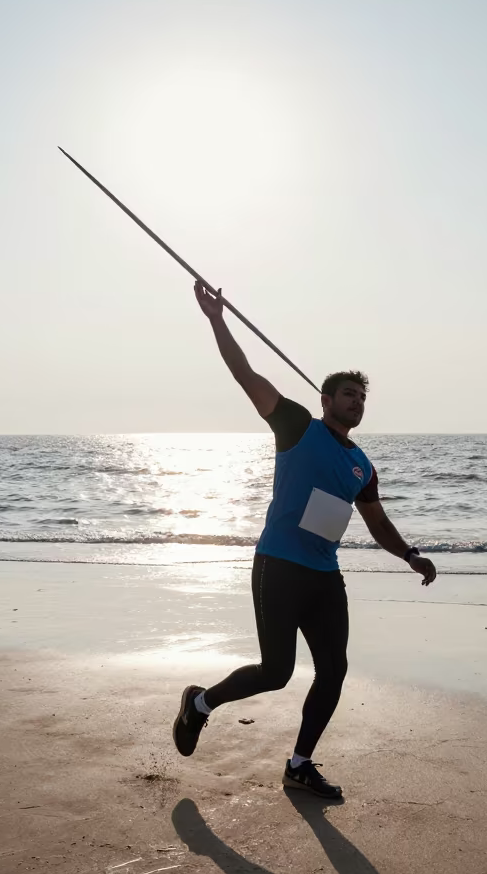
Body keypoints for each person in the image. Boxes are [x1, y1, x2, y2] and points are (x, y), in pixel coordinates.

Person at [172, 282, 437, 799]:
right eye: (348, 394)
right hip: (278, 565)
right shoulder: (296, 426)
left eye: (362, 397)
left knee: (333, 671)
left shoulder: (361, 465)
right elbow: (245, 375)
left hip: (323, 575)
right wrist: (216, 320)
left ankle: (299, 764)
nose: (357, 402)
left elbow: (377, 522)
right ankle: (199, 703)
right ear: (326, 399)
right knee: (276, 672)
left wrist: (409, 554)